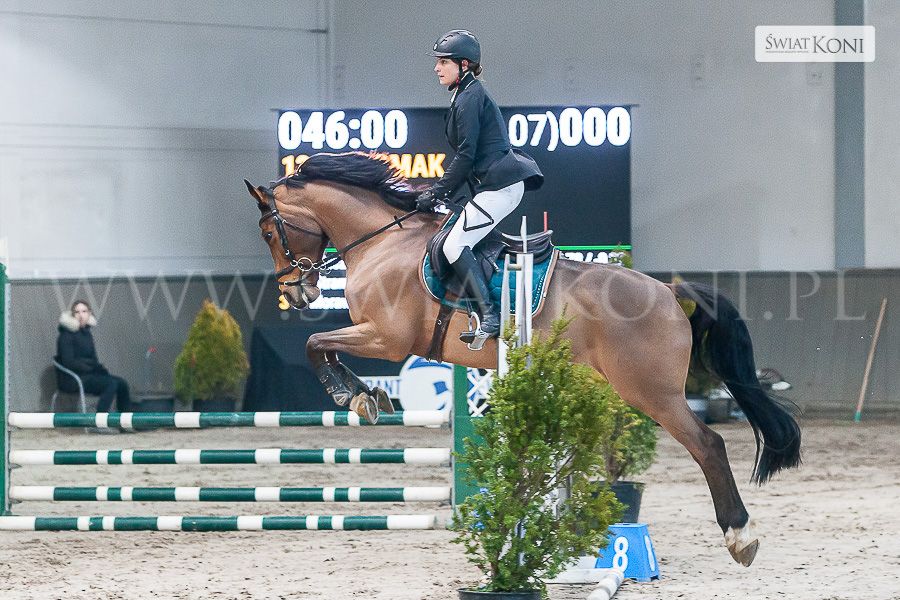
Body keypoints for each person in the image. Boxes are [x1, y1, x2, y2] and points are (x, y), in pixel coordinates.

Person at [416, 29, 543, 345]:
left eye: (443, 62)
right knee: (456, 238)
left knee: (453, 246)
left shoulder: (470, 98)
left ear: (464, 65)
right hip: (490, 188)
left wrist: (438, 191)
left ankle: (490, 316)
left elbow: (466, 155)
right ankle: (476, 309)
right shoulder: (463, 94)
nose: (437, 68)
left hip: (501, 189)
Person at [56, 300, 131, 413]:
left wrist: (98, 369)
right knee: (110, 384)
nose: (81, 315)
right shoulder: (66, 336)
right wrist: (89, 366)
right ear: (73, 315)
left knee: (122, 384)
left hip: (89, 375)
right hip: (73, 379)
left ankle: (124, 420)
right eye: (77, 312)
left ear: (89, 313)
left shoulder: (87, 334)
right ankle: (100, 419)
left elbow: (93, 359)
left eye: (84, 311)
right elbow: (69, 362)